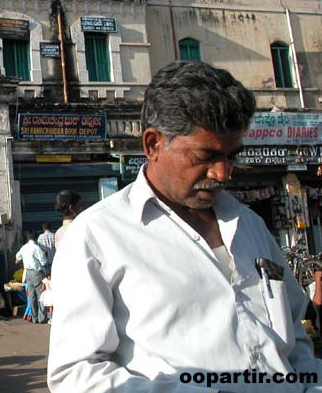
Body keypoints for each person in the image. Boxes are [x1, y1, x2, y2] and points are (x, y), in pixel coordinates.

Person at [48, 61, 322, 392]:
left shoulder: (250, 225)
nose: (223, 173)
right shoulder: (95, 237)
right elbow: (75, 375)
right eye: (205, 157)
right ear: (153, 145)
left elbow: (295, 342)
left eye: (231, 156)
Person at [15, 231, 47, 323]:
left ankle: (34, 318)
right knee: (41, 295)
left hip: (27, 272)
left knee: (31, 296)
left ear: (28, 238)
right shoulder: (36, 248)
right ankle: (42, 318)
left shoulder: (24, 247)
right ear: (35, 238)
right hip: (36, 272)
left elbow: (18, 256)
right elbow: (43, 261)